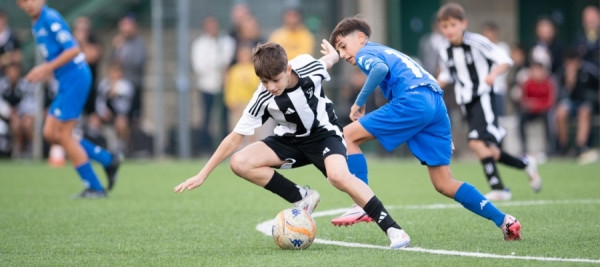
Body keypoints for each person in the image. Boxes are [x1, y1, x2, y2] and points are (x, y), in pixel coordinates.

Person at [174, 41, 411, 248]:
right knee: (239, 162)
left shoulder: (308, 67)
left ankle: (393, 229)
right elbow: (235, 137)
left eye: (275, 80)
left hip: (324, 135)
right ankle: (302, 196)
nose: (270, 87)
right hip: (290, 141)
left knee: (339, 177)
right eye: (264, 81)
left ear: (288, 69)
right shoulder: (263, 97)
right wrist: (203, 174)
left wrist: (333, 54)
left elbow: (326, 61)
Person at [328, 15, 522, 241]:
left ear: (360, 38)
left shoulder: (365, 53)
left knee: (348, 136)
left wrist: (359, 102)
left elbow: (379, 70)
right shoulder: (386, 50)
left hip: (413, 100)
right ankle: (504, 220)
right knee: (444, 183)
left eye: (343, 46)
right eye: (338, 51)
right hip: (434, 104)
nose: (343, 55)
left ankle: (361, 203)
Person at [435, 3, 541, 201]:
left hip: (483, 97)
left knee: (476, 142)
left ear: (463, 24)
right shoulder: (444, 49)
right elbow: (448, 75)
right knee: (490, 150)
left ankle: (499, 187)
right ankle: (526, 164)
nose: (448, 30)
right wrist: (430, 87)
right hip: (466, 102)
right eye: (444, 26)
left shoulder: (477, 42)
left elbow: (505, 60)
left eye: (452, 25)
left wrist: (493, 74)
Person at [18, 0, 121, 197]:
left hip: (76, 78)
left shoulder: (50, 17)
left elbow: (73, 49)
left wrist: (46, 68)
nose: (29, 3)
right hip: (65, 81)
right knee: (50, 133)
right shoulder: (36, 21)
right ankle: (108, 159)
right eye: (23, 1)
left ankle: (95, 187)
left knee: (64, 135)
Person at [191, 16, 235, 153]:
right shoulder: (199, 44)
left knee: (224, 119)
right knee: (206, 118)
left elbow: (227, 61)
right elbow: (199, 66)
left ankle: (225, 149)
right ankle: (205, 148)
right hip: (207, 86)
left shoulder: (227, 41)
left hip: (224, 87)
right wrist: (217, 66)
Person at [555, 50, 600, 156]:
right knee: (561, 112)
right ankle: (563, 146)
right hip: (570, 103)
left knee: (584, 111)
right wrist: (569, 82)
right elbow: (562, 95)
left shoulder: (590, 71)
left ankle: (580, 146)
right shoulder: (562, 73)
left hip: (587, 102)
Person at [88, 61, 134, 153]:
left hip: (119, 114)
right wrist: (103, 112)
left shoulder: (126, 86)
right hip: (105, 115)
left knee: (121, 122)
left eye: (117, 72)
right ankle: (96, 146)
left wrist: (115, 96)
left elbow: (125, 107)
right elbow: (99, 102)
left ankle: (121, 148)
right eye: (113, 71)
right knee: (93, 120)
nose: (115, 74)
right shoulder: (103, 85)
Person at [111, 13, 146, 121]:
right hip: (119, 88)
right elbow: (112, 63)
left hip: (133, 86)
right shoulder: (119, 43)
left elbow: (137, 62)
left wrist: (123, 59)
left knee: (133, 119)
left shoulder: (139, 43)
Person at [224, 43, 260, 146]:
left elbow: (258, 86)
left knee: (252, 131)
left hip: (250, 103)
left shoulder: (255, 69)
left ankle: (252, 152)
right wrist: (230, 101)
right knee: (236, 130)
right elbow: (230, 87)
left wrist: (248, 81)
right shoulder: (234, 70)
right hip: (237, 103)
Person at [518, 60, 555, 155]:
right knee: (521, 118)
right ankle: (524, 148)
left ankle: (549, 147)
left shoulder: (548, 83)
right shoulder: (527, 83)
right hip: (530, 112)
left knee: (548, 118)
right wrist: (529, 104)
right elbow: (523, 100)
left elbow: (550, 103)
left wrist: (536, 104)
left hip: (543, 112)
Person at [0, 63, 36, 156]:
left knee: (27, 123)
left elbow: (30, 103)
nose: (12, 74)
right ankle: (20, 151)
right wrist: (9, 112)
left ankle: (34, 150)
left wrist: (18, 113)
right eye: (10, 71)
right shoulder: (2, 85)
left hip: (23, 114)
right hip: (5, 117)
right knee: (15, 124)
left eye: (15, 71)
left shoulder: (25, 85)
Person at [73, 16, 102, 118]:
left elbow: (91, 57)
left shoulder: (94, 41)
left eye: (85, 29)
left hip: (90, 87)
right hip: (75, 86)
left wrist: (83, 42)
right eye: (80, 29)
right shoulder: (71, 42)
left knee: (91, 118)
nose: (82, 32)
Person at [481, 21, 511, 117]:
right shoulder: (479, 49)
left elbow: (505, 65)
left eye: (491, 32)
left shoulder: (503, 48)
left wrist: (493, 74)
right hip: (481, 90)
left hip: (498, 89)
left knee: (499, 118)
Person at [0, 9, 22, 75]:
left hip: (8, 72)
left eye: (1, 18)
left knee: (13, 72)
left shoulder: (13, 36)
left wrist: (4, 60)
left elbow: (18, 56)